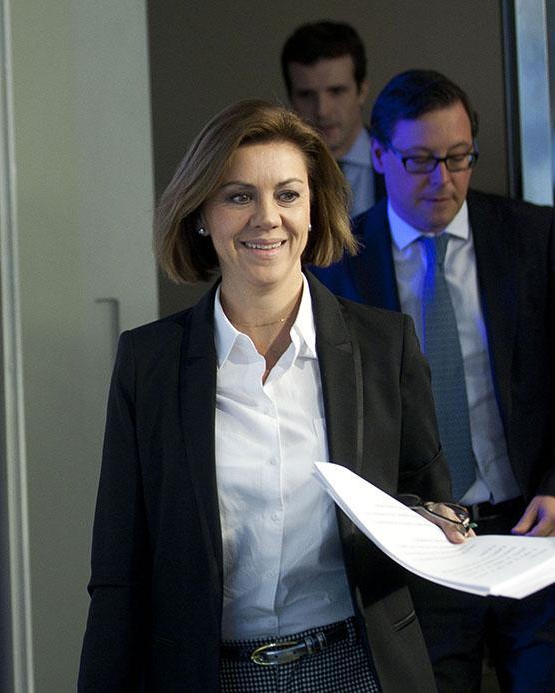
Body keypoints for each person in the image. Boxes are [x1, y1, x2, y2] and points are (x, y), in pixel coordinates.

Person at [78, 100, 469, 692]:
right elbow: (118, 572)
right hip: (210, 676)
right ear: (202, 214)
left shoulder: (383, 346)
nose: (268, 218)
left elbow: (433, 507)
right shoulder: (148, 364)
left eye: (288, 195)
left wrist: (433, 521)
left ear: (313, 210)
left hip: (358, 670)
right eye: (239, 196)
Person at [313, 69, 555, 692]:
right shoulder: (339, 264)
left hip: (531, 527)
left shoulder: (533, 237)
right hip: (422, 542)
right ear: (379, 154)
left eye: (459, 157)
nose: (442, 180)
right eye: (420, 161)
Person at [282, 20, 384, 215]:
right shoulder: (276, 171)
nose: (322, 111)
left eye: (336, 91)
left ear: (362, 91)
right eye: (306, 95)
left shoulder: (402, 163)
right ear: (291, 99)